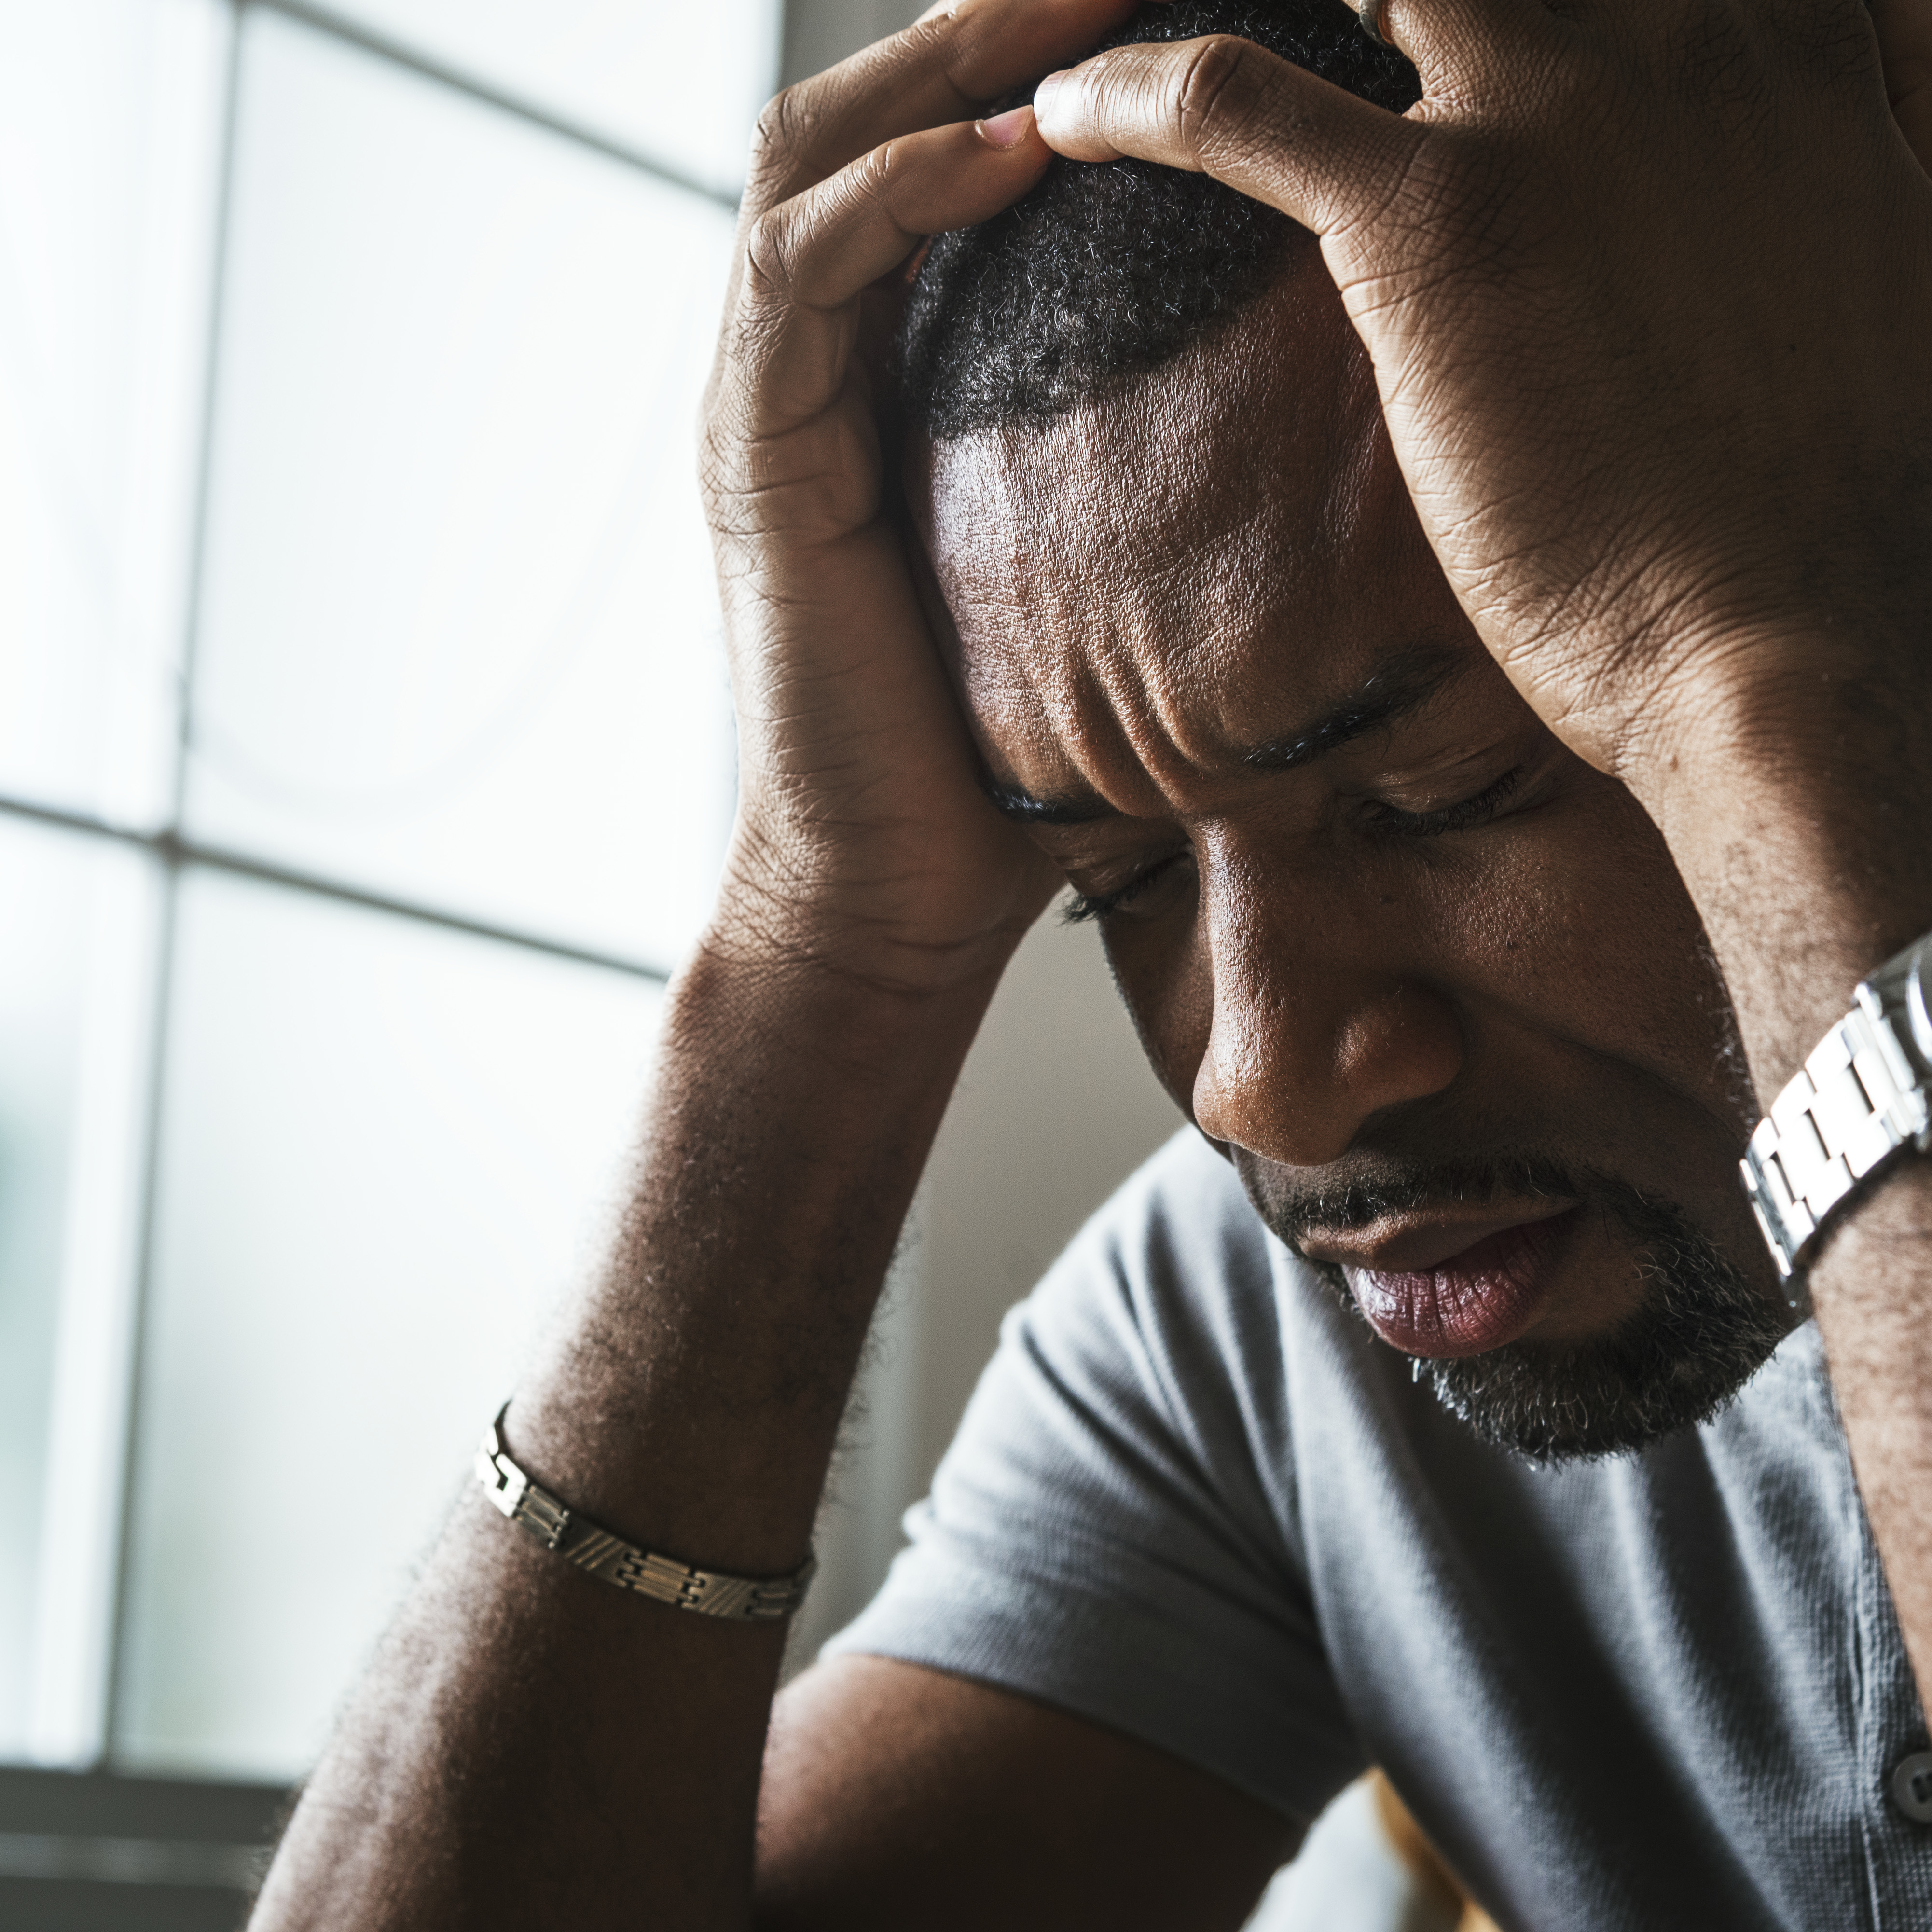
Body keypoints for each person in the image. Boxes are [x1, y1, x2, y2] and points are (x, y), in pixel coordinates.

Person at [249, 0, 1932, 1924]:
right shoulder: (1267, 1333)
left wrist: (1759, 681)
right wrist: (821, 953)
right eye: (1111, 879)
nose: (1258, 1081)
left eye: (1446, 793)